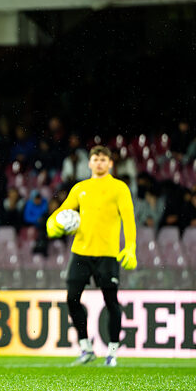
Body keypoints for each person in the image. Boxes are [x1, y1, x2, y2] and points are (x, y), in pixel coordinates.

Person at [47, 144, 137, 368]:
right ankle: (86, 348)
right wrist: (52, 223)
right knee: (72, 298)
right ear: (89, 163)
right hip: (81, 252)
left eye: (103, 159)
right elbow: (63, 211)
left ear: (110, 164)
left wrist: (131, 247)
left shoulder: (119, 188)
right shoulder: (80, 188)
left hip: (107, 254)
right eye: (95, 159)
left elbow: (128, 219)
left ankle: (112, 352)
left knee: (111, 302)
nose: (99, 163)